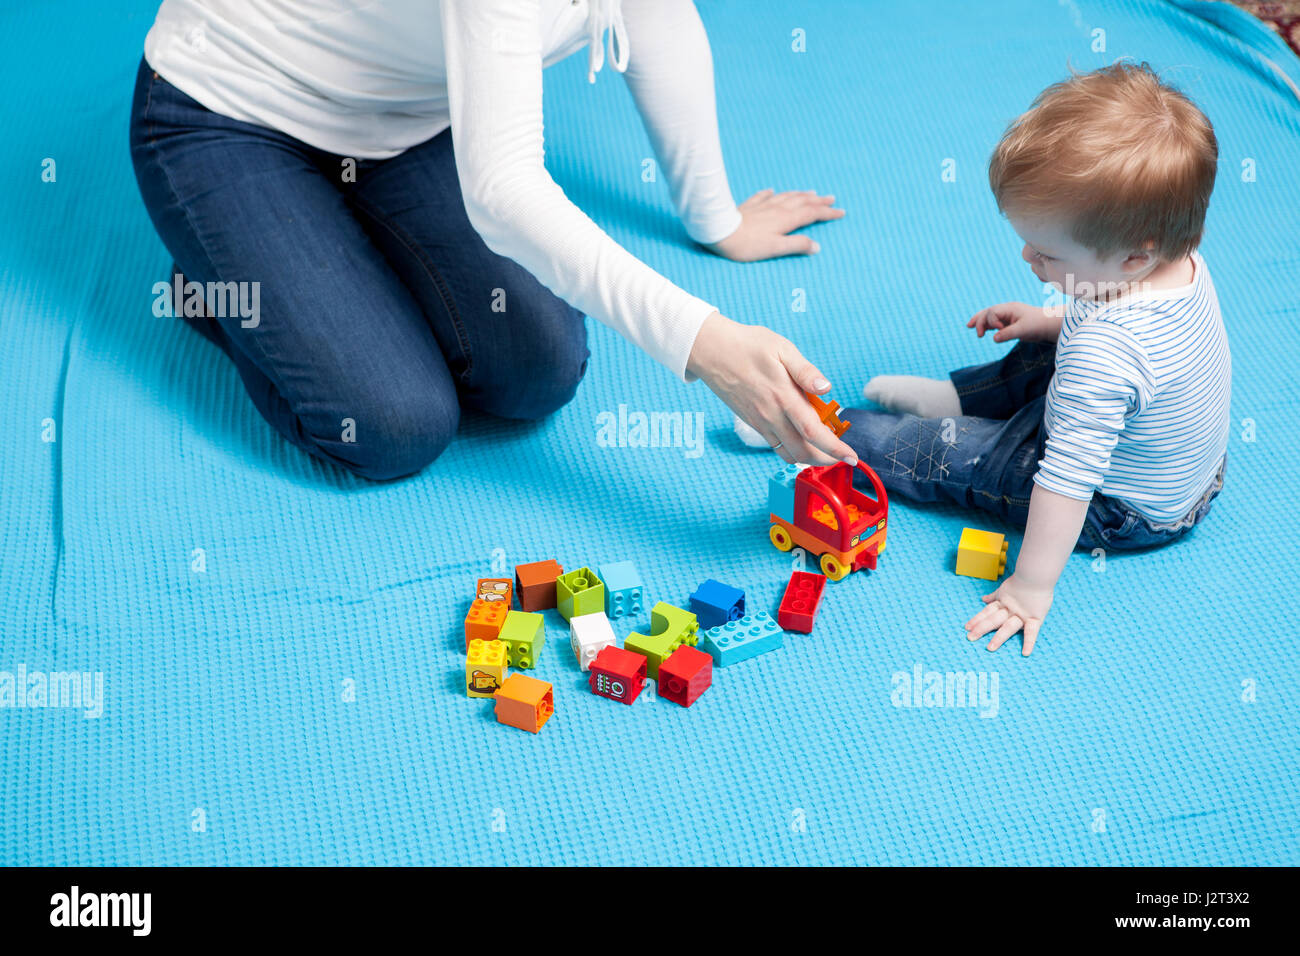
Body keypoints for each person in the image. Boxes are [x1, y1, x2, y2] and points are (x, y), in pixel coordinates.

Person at [129, 0, 857, 480]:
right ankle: (212, 283)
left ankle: (311, 252)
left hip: (405, 116)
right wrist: (705, 342)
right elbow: (504, 196)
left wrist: (716, 219)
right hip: (227, 120)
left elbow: (656, 17)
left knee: (539, 370)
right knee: (394, 426)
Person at [842, 63, 1229, 654]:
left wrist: (1031, 586)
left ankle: (823, 428)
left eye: (1047, 253)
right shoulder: (1179, 261)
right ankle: (954, 396)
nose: (1028, 256)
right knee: (1044, 350)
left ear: (1133, 257)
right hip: (1190, 475)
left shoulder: (1107, 353)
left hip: (1117, 509)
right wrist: (1048, 321)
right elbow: (1120, 351)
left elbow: (1067, 483)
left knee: (964, 454)